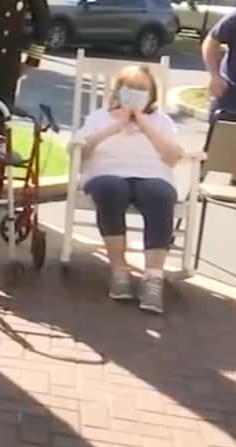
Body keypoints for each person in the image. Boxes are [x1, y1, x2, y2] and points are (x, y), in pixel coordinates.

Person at [76, 65, 183, 314]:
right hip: (107, 172)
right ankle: (119, 269)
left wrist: (145, 125)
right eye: (130, 88)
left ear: (152, 95)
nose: (135, 94)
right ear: (119, 91)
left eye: (142, 90)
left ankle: (153, 277)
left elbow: (173, 156)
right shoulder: (99, 118)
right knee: (111, 190)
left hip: (151, 174)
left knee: (159, 195)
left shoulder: (162, 122)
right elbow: (82, 150)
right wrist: (117, 125)